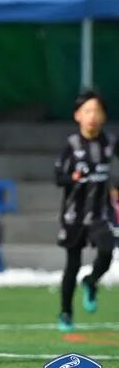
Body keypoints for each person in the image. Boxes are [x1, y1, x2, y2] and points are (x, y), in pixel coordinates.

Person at [54, 90, 118, 332]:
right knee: (72, 264)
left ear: (103, 116)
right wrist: (72, 177)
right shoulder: (71, 145)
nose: (92, 116)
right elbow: (58, 178)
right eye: (87, 111)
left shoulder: (109, 142)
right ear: (78, 115)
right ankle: (66, 312)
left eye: (97, 111)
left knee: (107, 251)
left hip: (100, 213)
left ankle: (91, 281)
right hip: (74, 215)